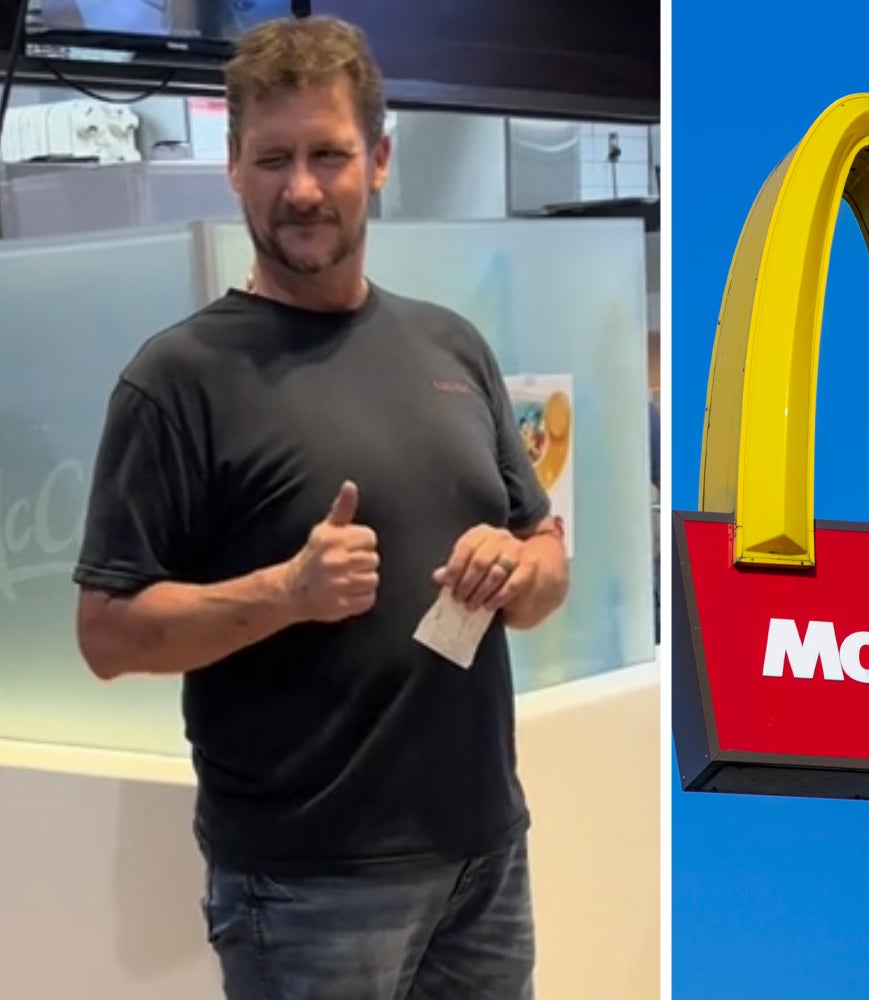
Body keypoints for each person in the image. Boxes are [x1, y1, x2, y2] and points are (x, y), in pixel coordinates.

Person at [70, 16, 567, 999]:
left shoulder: (451, 347)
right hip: (305, 889)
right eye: (274, 158)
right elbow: (106, 635)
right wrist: (286, 591)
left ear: (377, 161)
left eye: (329, 154)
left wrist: (516, 571)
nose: (301, 188)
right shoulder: (176, 381)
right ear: (233, 169)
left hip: (485, 859)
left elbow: (544, 559)